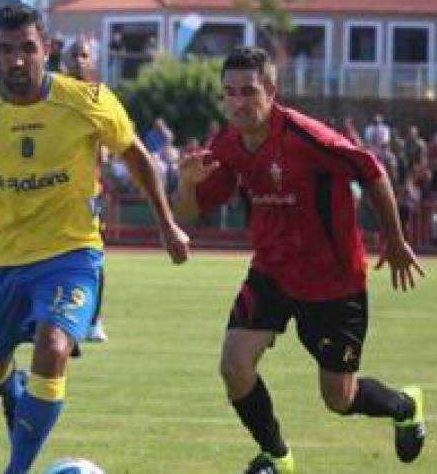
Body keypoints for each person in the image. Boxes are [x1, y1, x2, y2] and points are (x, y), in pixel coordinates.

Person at [0, 3, 190, 474]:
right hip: (1, 261)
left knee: (54, 347)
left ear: (48, 49)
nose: (17, 60)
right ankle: (13, 392)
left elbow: (135, 154)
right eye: (6, 50)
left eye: (28, 49)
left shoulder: (86, 100)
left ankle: (16, 469)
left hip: (70, 253)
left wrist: (166, 223)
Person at [176, 46, 426, 473]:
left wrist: (396, 239)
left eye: (248, 91)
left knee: (339, 398)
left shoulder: (306, 136)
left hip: (333, 281)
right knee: (234, 367)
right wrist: (185, 184)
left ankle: (405, 406)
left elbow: (372, 171)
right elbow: (187, 214)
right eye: (229, 92)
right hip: (271, 271)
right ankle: (277, 456)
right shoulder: (228, 143)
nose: (237, 102)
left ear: (271, 92)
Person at [64, 36, 109, 342]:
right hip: (50, 194)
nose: (80, 60)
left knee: (93, 257)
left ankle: (94, 321)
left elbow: (109, 148)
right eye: (75, 55)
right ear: (64, 62)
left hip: (87, 194)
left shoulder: (99, 98)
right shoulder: (52, 95)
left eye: (84, 55)